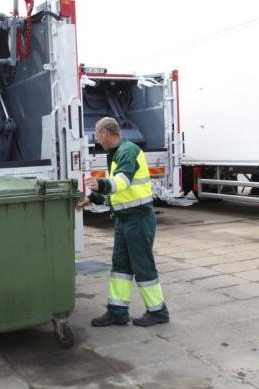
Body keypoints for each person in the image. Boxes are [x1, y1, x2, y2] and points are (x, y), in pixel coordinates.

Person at [77, 117, 169, 328]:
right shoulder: (116, 153)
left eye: (97, 136)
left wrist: (100, 184)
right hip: (125, 219)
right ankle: (117, 311)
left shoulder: (128, 151)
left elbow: (122, 181)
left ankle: (158, 311)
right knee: (121, 266)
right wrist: (92, 198)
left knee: (142, 265)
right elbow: (118, 193)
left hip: (138, 219)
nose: (97, 141)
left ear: (105, 133)